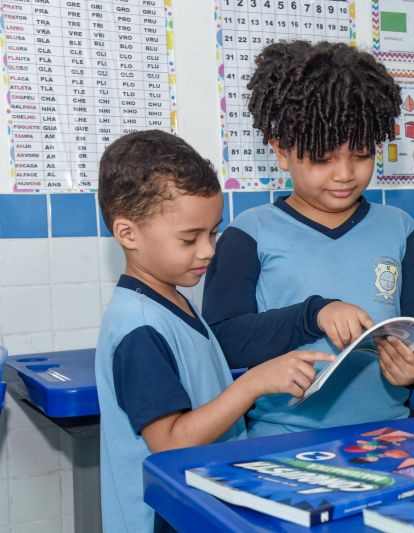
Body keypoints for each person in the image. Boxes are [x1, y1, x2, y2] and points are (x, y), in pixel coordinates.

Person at [95, 130, 333, 532]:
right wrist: (254, 383)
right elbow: (169, 442)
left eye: (212, 232)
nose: (208, 250)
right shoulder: (139, 327)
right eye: (190, 239)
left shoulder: (170, 300)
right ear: (127, 234)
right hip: (165, 517)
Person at [203, 41, 414, 437]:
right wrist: (314, 313)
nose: (344, 174)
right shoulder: (249, 234)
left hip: (389, 438)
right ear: (281, 151)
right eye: (322, 158)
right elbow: (224, 341)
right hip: (279, 440)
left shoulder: (401, 229)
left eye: (362, 154)